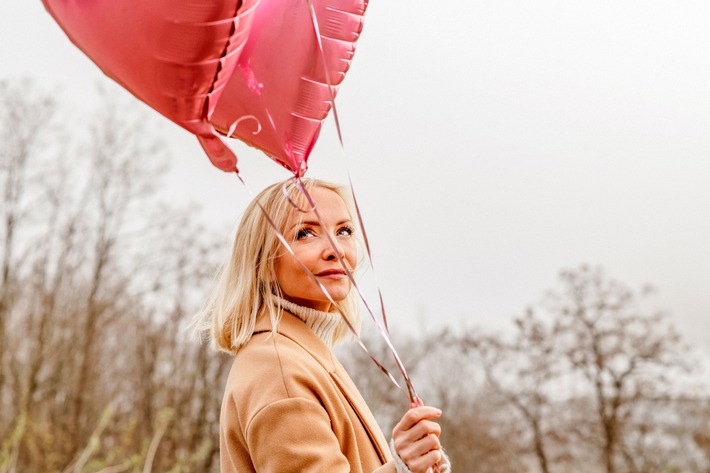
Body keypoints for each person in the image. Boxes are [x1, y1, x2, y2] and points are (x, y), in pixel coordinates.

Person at [196, 178, 451, 472]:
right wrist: (401, 468)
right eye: (305, 233)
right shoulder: (278, 369)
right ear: (264, 263)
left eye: (344, 231)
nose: (336, 249)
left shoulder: (302, 354)